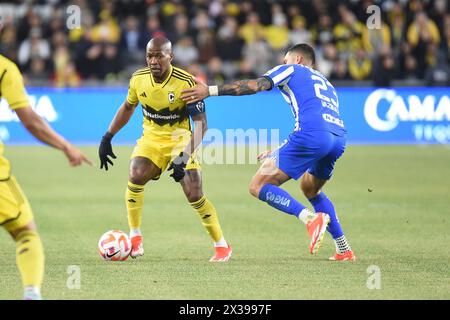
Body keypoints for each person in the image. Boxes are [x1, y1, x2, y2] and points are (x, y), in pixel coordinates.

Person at [181, 43, 355, 261]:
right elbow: (315, 117)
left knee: (258, 185)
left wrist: (210, 90)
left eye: (286, 59)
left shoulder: (292, 70)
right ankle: (344, 248)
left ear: (298, 59)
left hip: (311, 135)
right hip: (338, 139)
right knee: (310, 189)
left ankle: (310, 219)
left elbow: (255, 86)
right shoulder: (326, 83)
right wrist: (281, 148)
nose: (283, 63)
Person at [98, 36, 232, 262]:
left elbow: (201, 125)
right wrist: (108, 136)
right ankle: (135, 238)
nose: (153, 60)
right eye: (149, 55)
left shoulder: (186, 83)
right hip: (151, 139)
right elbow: (128, 107)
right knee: (136, 173)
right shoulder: (138, 79)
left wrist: (183, 157)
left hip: (181, 140)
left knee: (193, 193)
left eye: (159, 55)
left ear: (170, 56)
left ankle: (222, 246)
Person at [0, 54, 91, 300]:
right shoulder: (5, 69)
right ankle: (31, 294)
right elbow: (30, 120)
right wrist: (66, 146)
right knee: (25, 232)